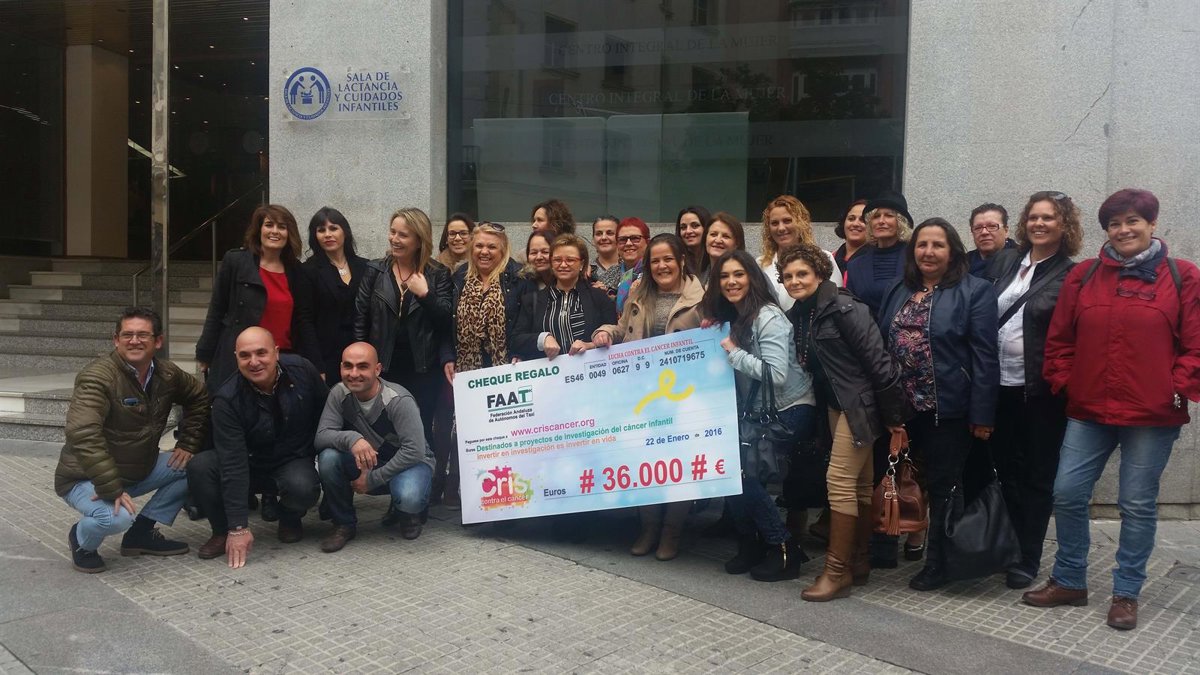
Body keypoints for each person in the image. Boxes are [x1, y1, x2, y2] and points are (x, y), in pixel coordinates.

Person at [1024, 189, 1200, 631]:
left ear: (1152, 224)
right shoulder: (1084, 275)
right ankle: (1070, 580)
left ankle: (1126, 592)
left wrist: (1173, 387)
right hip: (1088, 409)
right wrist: (1068, 381)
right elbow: (1059, 340)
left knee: (1136, 504)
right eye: (1115, 223)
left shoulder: (1182, 276)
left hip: (1151, 414)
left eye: (1133, 221)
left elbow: (1195, 345)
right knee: (1067, 493)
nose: (1124, 230)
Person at [776, 245, 910, 601]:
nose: (794, 281)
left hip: (859, 407)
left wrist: (894, 418)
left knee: (838, 482)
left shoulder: (845, 307)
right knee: (860, 486)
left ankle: (836, 572)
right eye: (788, 276)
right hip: (835, 406)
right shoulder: (798, 315)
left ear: (820, 273)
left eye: (802, 273)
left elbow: (880, 364)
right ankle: (859, 561)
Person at [878, 218, 999, 591]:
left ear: (953, 252)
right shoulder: (898, 288)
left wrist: (982, 414)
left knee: (945, 486)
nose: (928, 252)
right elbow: (882, 345)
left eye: (938, 245)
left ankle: (940, 563)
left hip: (947, 408)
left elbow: (985, 357)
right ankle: (890, 545)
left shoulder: (975, 291)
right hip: (902, 408)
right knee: (904, 478)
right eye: (922, 245)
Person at [55, 307, 209, 573]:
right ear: (116, 340)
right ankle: (82, 542)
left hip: (138, 469)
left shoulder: (167, 374)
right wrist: (111, 487)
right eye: (127, 335)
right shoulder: (98, 377)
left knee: (194, 467)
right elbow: (83, 432)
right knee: (116, 519)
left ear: (158, 341)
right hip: (85, 477)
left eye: (142, 335)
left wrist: (188, 443)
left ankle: (141, 533)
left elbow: (199, 397)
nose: (134, 341)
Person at [981, 192, 1081, 590]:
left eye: (1049, 218)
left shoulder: (1072, 275)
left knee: (1038, 476)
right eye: (1034, 217)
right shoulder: (1006, 261)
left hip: (1040, 392)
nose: (1039, 224)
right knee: (1004, 470)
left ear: (1064, 225)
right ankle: (1005, 546)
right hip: (997, 385)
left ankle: (1027, 555)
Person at [704, 249, 816, 582]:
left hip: (789, 408)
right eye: (724, 276)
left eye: (738, 274)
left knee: (744, 476)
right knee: (730, 471)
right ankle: (750, 543)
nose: (731, 281)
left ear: (752, 278)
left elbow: (775, 374)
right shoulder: (735, 316)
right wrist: (713, 331)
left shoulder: (768, 316)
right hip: (758, 413)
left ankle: (783, 547)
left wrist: (734, 352)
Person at [592, 234, 705, 561]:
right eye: (655, 261)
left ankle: (672, 530)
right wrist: (605, 332)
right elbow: (622, 329)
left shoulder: (703, 299)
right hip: (642, 395)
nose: (662, 266)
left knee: (680, 464)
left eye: (668, 259)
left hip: (684, 396)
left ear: (681, 260)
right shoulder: (638, 294)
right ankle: (649, 527)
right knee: (646, 462)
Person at [187, 327, 327, 568]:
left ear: (276, 352)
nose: (254, 362)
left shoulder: (303, 370)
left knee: (303, 487)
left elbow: (325, 415)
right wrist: (238, 527)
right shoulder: (226, 399)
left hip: (291, 458)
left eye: (261, 353)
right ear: (236, 358)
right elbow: (233, 462)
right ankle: (221, 531)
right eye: (245, 355)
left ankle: (289, 517)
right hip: (248, 461)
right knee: (200, 467)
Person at [315, 343, 435, 552]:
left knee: (409, 496)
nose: (354, 374)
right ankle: (343, 524)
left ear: (377, 369)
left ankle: (408, 512)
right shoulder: (339, 393)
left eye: (362, 366)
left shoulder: (398, 399)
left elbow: (414, 451)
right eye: (348, 366)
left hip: (411, 463)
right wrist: (352, 439)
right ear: (341, 367)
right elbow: (322, 436)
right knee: (328, 458)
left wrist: (372, 480)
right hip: (373, 459)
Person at [441, 223, 527, 506]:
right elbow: (447, 323)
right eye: (479, 246)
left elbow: (525, 320)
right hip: (469, 369)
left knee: (502, 435)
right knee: (468, 431)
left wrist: (520, 352)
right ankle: (465, 492)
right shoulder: (458, 277)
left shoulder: (517, 278)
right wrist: (448, 356)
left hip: (504, 368)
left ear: (503, 249)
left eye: (492, 246)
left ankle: (506, 495)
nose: (484, 252)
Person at [354, 207, 454, 448]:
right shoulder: (375, 270)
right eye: (393, 232)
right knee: (383, 431)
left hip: (423, 367)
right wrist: (362, 361)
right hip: (384, 366)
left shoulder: (438, 274)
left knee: (420, 430)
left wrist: (425, 295)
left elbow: (446, 321)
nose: (395, 239)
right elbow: (361, 318)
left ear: (419, 240)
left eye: (403, 235)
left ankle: (422, 470)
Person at [196, 204, 320, 391]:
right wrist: (205, 353)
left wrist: (315, 364)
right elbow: (217, 309)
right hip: (240, 358)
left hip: (282, 359)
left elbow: (303, 320)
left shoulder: (297, 271)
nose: (275, 231)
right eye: (269, 225)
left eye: (282, 227)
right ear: (259, 229)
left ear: (289, 233)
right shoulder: (236, 261)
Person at [511, 234, 617, 361]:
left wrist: (592, 345)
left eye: (570, 260)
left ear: (582, 264)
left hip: (591, 369)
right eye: (557, 260)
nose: (563, 265)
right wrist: (542, 339)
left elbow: (616, 334)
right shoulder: (532, 300)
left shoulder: (599, 297)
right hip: (550, 371)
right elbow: (515, 340)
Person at [303, 206, 369, 384]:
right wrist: (317, 366)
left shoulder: (365, 267)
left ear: (344, 232)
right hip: (326, 357)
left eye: (333, 228)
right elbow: (305, 321)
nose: (327, 234)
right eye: (321, 230)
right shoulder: (308, 270)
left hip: (361, 353)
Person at [758, 195, 840, 311]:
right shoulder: (761, 264)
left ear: (801, 223)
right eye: (775, 223)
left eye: (787, 221)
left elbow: (836, 300)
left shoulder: (824, 258)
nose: (781, 228)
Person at [846, 190, 914, 318]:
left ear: (901, 222)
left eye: (888, 215)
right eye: (876, 216)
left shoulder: (915, 259)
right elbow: (851, 311)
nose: (881, 221)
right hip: (866, 330)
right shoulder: (855, 265)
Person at [968, 203, 1017, 276]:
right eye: (978, 228)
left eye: (992, 226)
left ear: (1006, 231)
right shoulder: (962, 264)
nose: (984, 232)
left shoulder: (1021, 261)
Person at [700, 212, 747, 287]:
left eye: (726, 236)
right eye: (713, 234)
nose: (718, 240)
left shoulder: (751, 276)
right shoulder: (697, 278)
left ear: (737, 244)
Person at [614, 217, 650, 314]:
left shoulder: (654, 272)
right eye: (622, 239)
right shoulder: (610, 274)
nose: (628, 243)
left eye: (635, 238)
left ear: (648, 242)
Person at [832, 199, 869, 284]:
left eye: (863, 220)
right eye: (851, 219)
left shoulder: (875, 260)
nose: (855, 224)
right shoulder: (830, 259)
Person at [675, 206, 712, 281]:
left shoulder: (715, 257)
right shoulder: (676, 260)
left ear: (707, 228)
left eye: (695, 226)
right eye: (683, 227)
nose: (688, 231)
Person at [588, 215, 622, 294]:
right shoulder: (586, 272)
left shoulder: (630, 269)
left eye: (610, 233)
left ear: (620, 237)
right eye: (599, 233)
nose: (603, 237)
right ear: (593, 239)